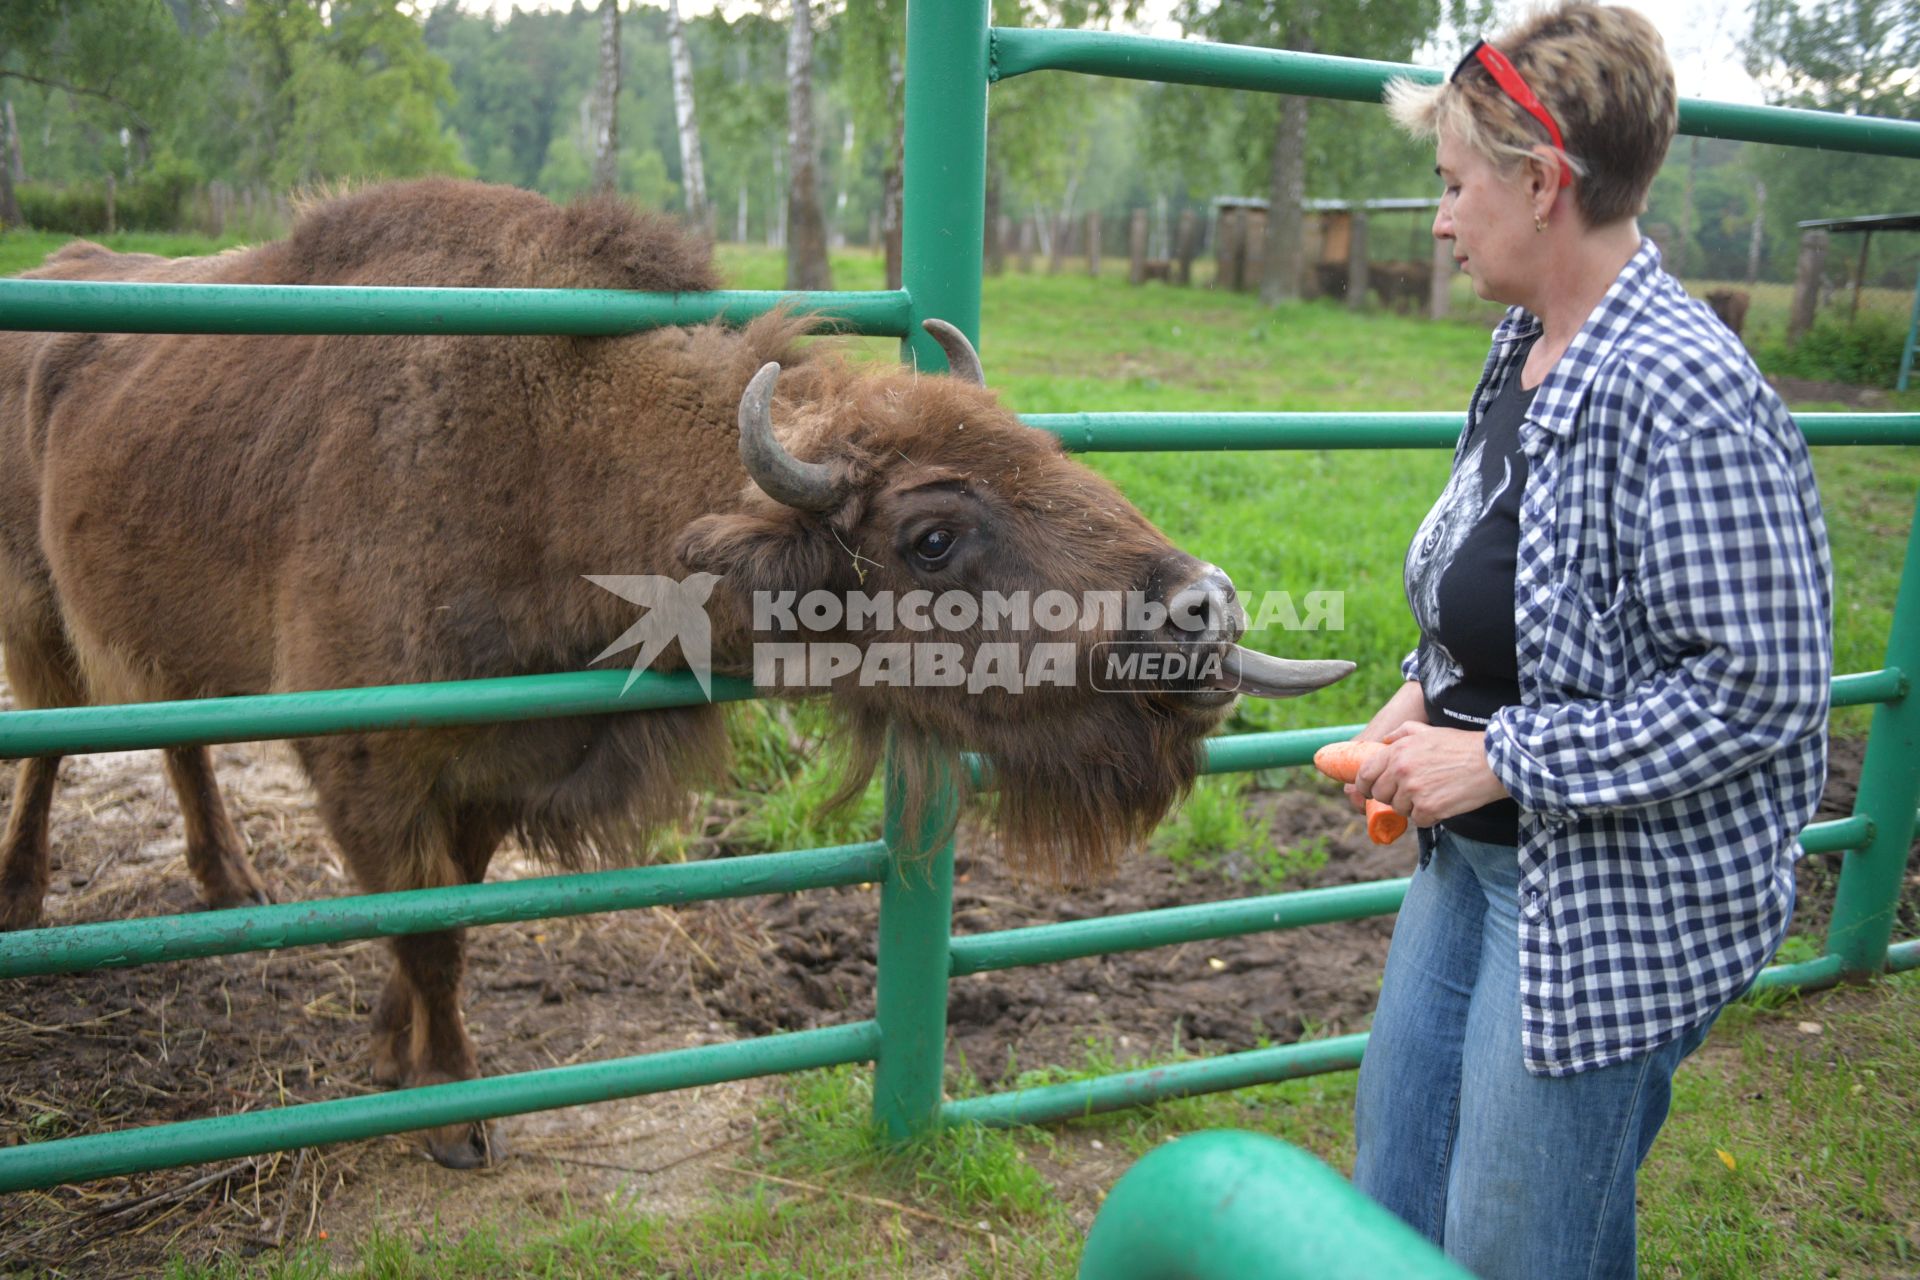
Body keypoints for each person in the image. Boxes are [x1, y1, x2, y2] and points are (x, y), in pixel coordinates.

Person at [1347, 5, 1834, 1277]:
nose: (1442, 220)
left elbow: (1761, 690)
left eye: (1456, 186)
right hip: (1474, 864)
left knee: (1521, 1248)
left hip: (1605, 902)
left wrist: (1497, 757)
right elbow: (1507, 589)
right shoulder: (1526, 346)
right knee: (1392, 1203)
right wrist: (1420, 696)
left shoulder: (1691, 396)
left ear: (1541, 182)